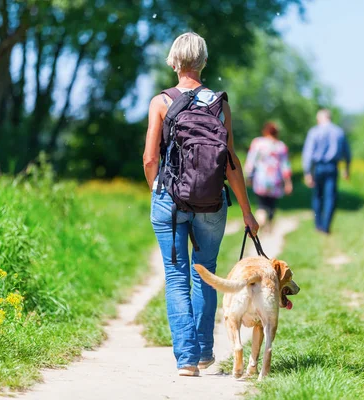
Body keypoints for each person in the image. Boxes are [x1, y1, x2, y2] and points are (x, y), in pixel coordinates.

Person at [142, 32, 259, 377]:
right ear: (203, 62)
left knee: (177, 277)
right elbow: (230, 161)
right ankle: (205, 351)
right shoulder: (219, 103)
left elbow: (150, 158)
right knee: (205, 272)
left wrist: (158, 191)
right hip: (212, 201)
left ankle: (187, 360)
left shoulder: (161, 102)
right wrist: (247, 212)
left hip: (170, 199)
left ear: (173, 62)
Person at [301, 109, 351, 234]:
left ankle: (318, 225)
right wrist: (346, 169)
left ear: (319, 118)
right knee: (330, 197)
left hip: (318, 167)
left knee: (317, 196)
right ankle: (326, 226)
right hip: (333, 167)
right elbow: (347, 153)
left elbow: (308, 154)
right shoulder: (339, 132)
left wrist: (307, 172)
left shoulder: (314, 132)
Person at [245, 122, 293, 231]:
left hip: (260, 179)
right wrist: (288, 183)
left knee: (261, 203)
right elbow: (285, 166)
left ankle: (261, 220)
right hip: (275, 180)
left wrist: (249, 176)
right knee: (271, 204)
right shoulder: (281, 146)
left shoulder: (257, 143)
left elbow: (251, 161)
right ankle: (269, 225)